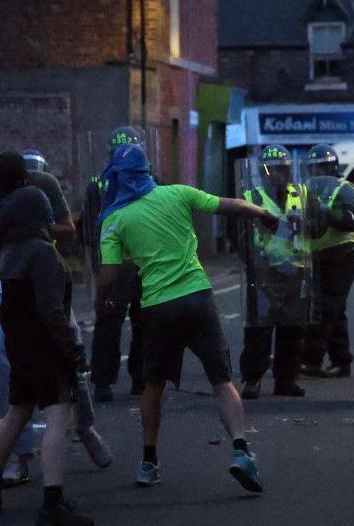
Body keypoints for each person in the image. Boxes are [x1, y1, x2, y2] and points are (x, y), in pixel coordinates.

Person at [97, 143, 272, 491]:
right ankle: (241, 451)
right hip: (197, 297)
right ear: (148, 172)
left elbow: (108, 275)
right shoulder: (178, 193)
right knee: (221, 380)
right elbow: (231, 206)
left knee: (153, 385)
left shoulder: (114, 220)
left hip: (158, 307)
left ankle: (148, 461)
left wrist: (104, 301)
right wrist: (263, 214)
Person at [0, 152, 111, 487]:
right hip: (17, 288)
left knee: (30, 394)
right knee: (27, 385)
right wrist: (72, 349)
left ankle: (84, 426)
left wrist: (36, 228)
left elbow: (67, 230)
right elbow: (51, 312)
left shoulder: (40, 189)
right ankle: (44, 485)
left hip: (21, 286)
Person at [0, 184, 93, 525]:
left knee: (17, 412)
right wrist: (72, 352)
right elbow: (52, 311)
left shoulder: (10, 253)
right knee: (58, 416)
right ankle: (52, 501)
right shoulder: (44, 254)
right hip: (46, 348)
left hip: (20, 346)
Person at [239, 145, 312, 399]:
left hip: (297, 270)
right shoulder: (252, 196)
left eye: (281, 169)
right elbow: (241, 236)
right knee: (259, 328)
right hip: (265, 271)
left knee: (293, 328)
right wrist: (253, 266)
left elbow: (317, 226)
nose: (276, 175)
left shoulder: (302, 193)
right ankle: (252, 380)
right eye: (271, 170)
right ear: (262, 172)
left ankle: (286, 380)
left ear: (289, 170)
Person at [83, 126, 146, 401]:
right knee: (124, 323)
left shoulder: (99, 184)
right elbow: (90, 228)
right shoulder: (148, 182)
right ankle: (126, 381)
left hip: (127, 265)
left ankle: (111, 382)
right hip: (129, 264)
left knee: (131, 324)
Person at [299, 144, 354, 378]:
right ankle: (341, 360)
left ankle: (311, 360)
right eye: (313, 166)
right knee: (334, 309)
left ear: (331, 167)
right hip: (314, 255)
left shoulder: (345, 189)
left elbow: (350, 221)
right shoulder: (305, 189)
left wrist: (325, 211)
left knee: (325, 308)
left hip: (341, 255)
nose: (317, 171)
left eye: (321, 166)